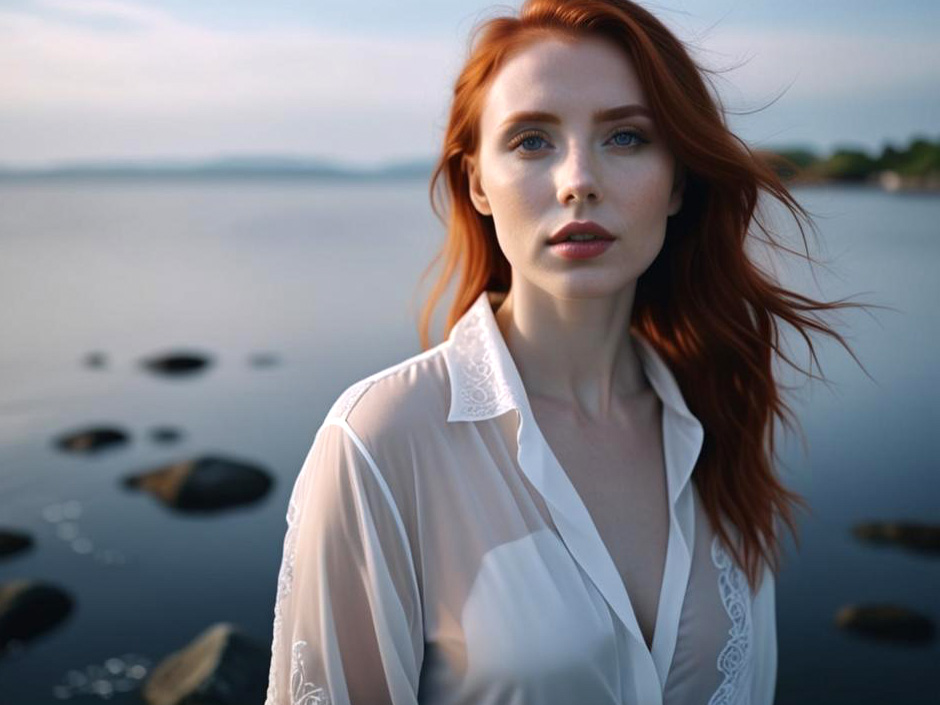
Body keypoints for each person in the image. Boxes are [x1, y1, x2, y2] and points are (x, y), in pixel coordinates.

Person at [264, 1, 864, 703]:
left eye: (627, 137)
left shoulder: (714, 417)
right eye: (531, 141)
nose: (579, 178)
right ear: (476, 184)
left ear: (677, 183)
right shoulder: (382, 440)